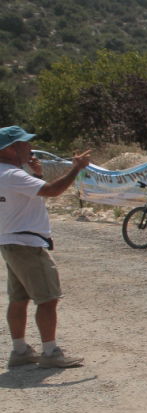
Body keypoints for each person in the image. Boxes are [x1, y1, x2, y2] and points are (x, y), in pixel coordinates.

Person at [0, 126, 90, 369]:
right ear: (10, 148)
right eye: (24, 144)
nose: (29, 147)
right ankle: (50, 352)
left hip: (11, 242)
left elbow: (31, 196)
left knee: (18, 298)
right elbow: (53, 191)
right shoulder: (13, 175)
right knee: (47, 299)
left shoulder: (7, 174)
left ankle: (20, 350)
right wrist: (76, 168)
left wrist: (38, 175)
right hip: (27, 244)